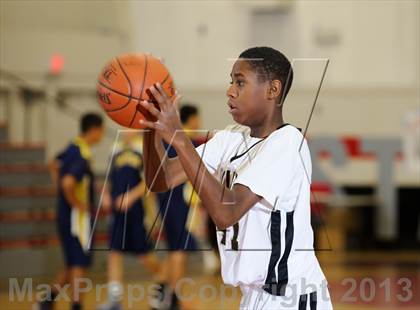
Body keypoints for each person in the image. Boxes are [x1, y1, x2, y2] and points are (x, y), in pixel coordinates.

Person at [140, 47, 333, 309]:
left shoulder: (288, 143)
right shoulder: (230, 138)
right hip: (254, 296)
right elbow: (160, 179)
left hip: (292, 296)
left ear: (273, 90)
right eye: (231, 81)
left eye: (240, 82)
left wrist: (178, 135)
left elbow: (226, 212)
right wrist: (151, 122)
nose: (230, 90)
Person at [36, 113, 105, 310]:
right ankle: (76, 305)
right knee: (78, 264)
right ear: (94, 130)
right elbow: (68, 184)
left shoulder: (72, 146)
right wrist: (77, 204)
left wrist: (59, 188)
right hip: (77, 219)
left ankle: (47, 301)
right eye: (101, 131)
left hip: (66, 214)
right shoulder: (81, 155)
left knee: (72, 262)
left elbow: (52, 163)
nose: (101, 135)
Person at [98, 131, 165, 310]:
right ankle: (114, 301)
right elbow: (109, 178)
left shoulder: (143, 149)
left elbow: (149, 180)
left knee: (146, 257)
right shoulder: (115, 150)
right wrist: (104, 194)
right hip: (117, 210)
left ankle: (164, 285)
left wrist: (131, 196)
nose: (126, 129)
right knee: (114, 254)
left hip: (137, 212)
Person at [155, 104, 203, 309]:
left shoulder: (165, 140)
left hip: (165, 201)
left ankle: (159, 295)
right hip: (178, 202)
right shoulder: (185, 141)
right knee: (178, 251)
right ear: (191, 119)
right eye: (197, 118)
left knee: (175, 249)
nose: (199, 122)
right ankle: (172, 297)